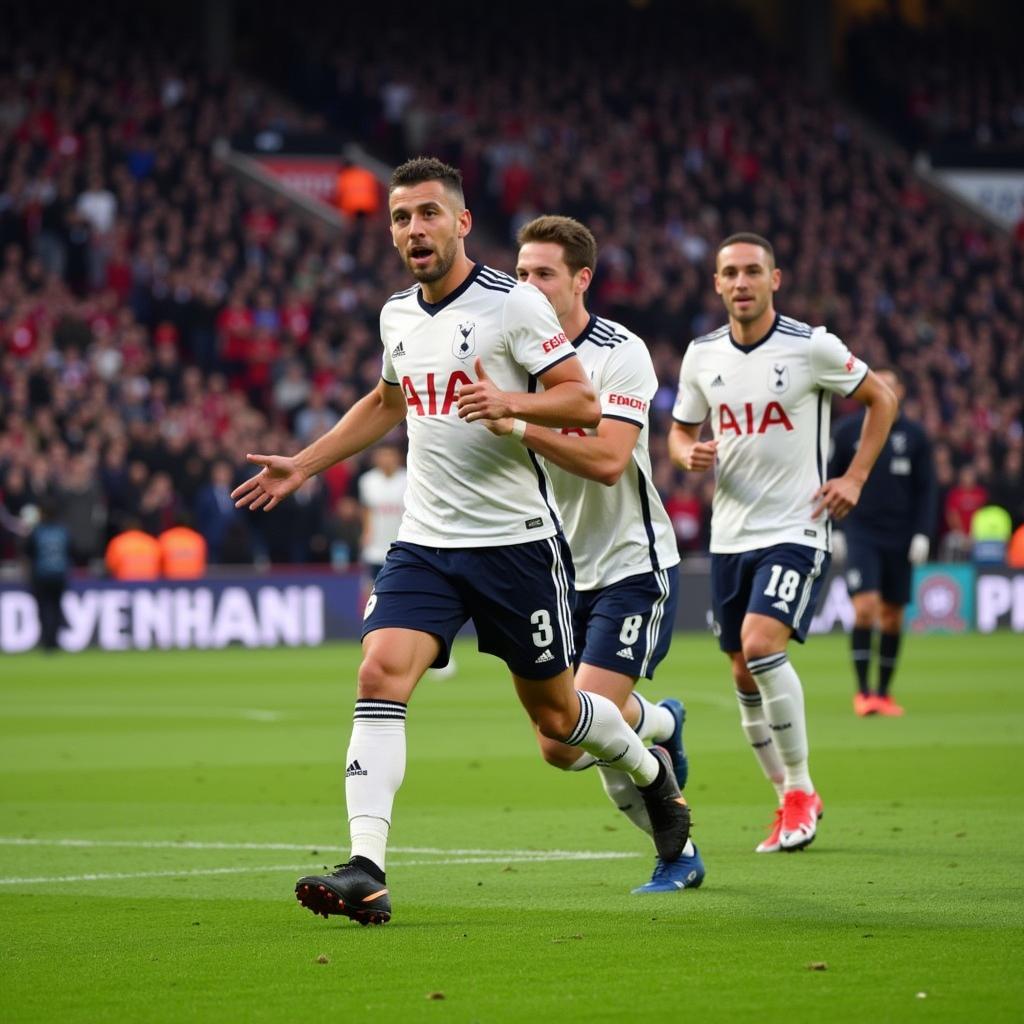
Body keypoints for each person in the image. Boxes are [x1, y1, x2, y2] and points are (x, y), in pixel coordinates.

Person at [231, 158, 691, 925]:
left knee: (556, 720)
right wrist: (305, 465)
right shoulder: (397, 316)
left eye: (428, 215)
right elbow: (386, 401)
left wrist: (508, 402)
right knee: (379, 672)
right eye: (401, 218)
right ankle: (366, 869)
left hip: (515, 546)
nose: (415, 230)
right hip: (426, 543)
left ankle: (648, 770)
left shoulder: (515, 306)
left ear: (462, 222)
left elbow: (578, 396)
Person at [485, 215, 702, 894]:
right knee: (559, 746)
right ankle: (661, 720)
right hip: (550, 573)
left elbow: (610, 460)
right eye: (519, 273)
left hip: (630, 566)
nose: (527, 285)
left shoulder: (620, 352)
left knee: (588, 727)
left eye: (543, 273)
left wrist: (518, 421)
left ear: (582, 278)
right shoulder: (515, 356)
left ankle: (679, 853)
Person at [669, 233, 897, 853]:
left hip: (797, 527)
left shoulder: (811, 347)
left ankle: (800, 787)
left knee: (760, 643)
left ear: (776, 279)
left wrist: (854, 477)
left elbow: (883, 397)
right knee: (742, 671)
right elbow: (680, 429)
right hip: (730, 534)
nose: (740, 283)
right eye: (729, 274)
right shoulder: (702, 355)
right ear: (716, 284)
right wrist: (684, 452)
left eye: (752, 272)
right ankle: (787, 799)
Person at [831, 368, 936, 716]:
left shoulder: (916, 436)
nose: (884, 391)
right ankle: (863, 693)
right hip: (861, 532)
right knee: (865, 608)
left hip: (902, 536)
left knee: (892, 617)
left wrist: (922, 533)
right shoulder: (847, 432)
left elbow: (926, 491)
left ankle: (884, 693)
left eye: (891, 385)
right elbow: (830, 480)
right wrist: (837, 528)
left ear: (901, 391)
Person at [25, 500, 71, 652]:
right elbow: (72, 550)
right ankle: (55, 641)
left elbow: (28, 551)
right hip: (59, 575)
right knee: (57, 607)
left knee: (44, 608)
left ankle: (46, 641)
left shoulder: (37, 531)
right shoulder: (63, 531)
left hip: (42, 576)